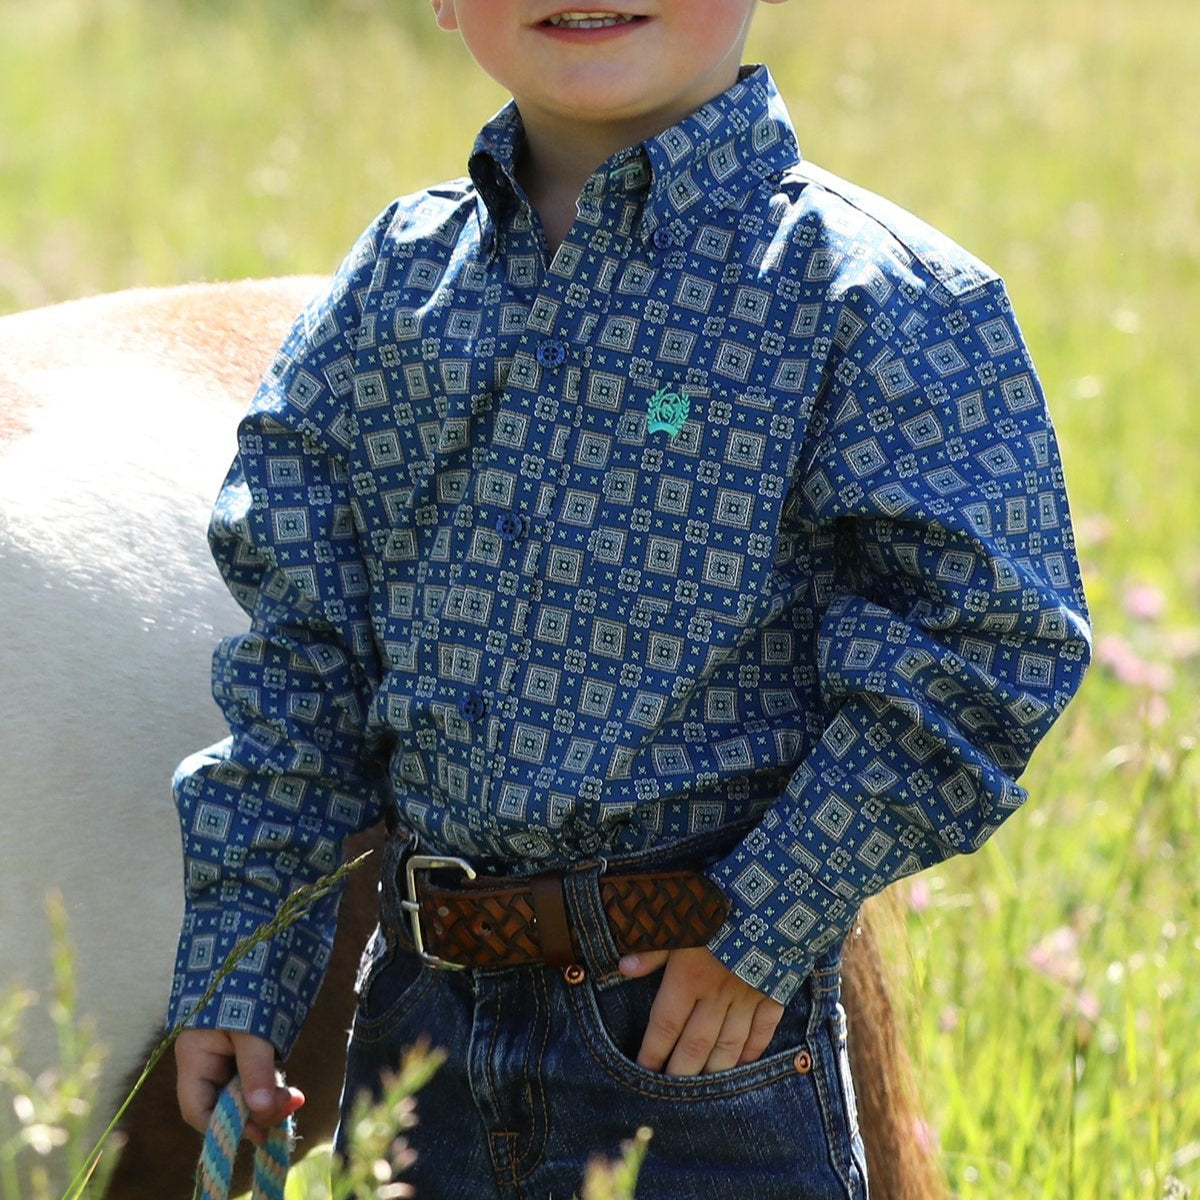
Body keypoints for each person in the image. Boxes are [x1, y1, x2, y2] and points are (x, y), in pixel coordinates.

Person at [171, 2, 1091, 1196]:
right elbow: (301, 659)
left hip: (702, 1044)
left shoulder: (869, 292)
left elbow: (991, 639)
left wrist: (768, 915)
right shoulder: (389, 292)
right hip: (419, 1024)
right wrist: (245, 967)